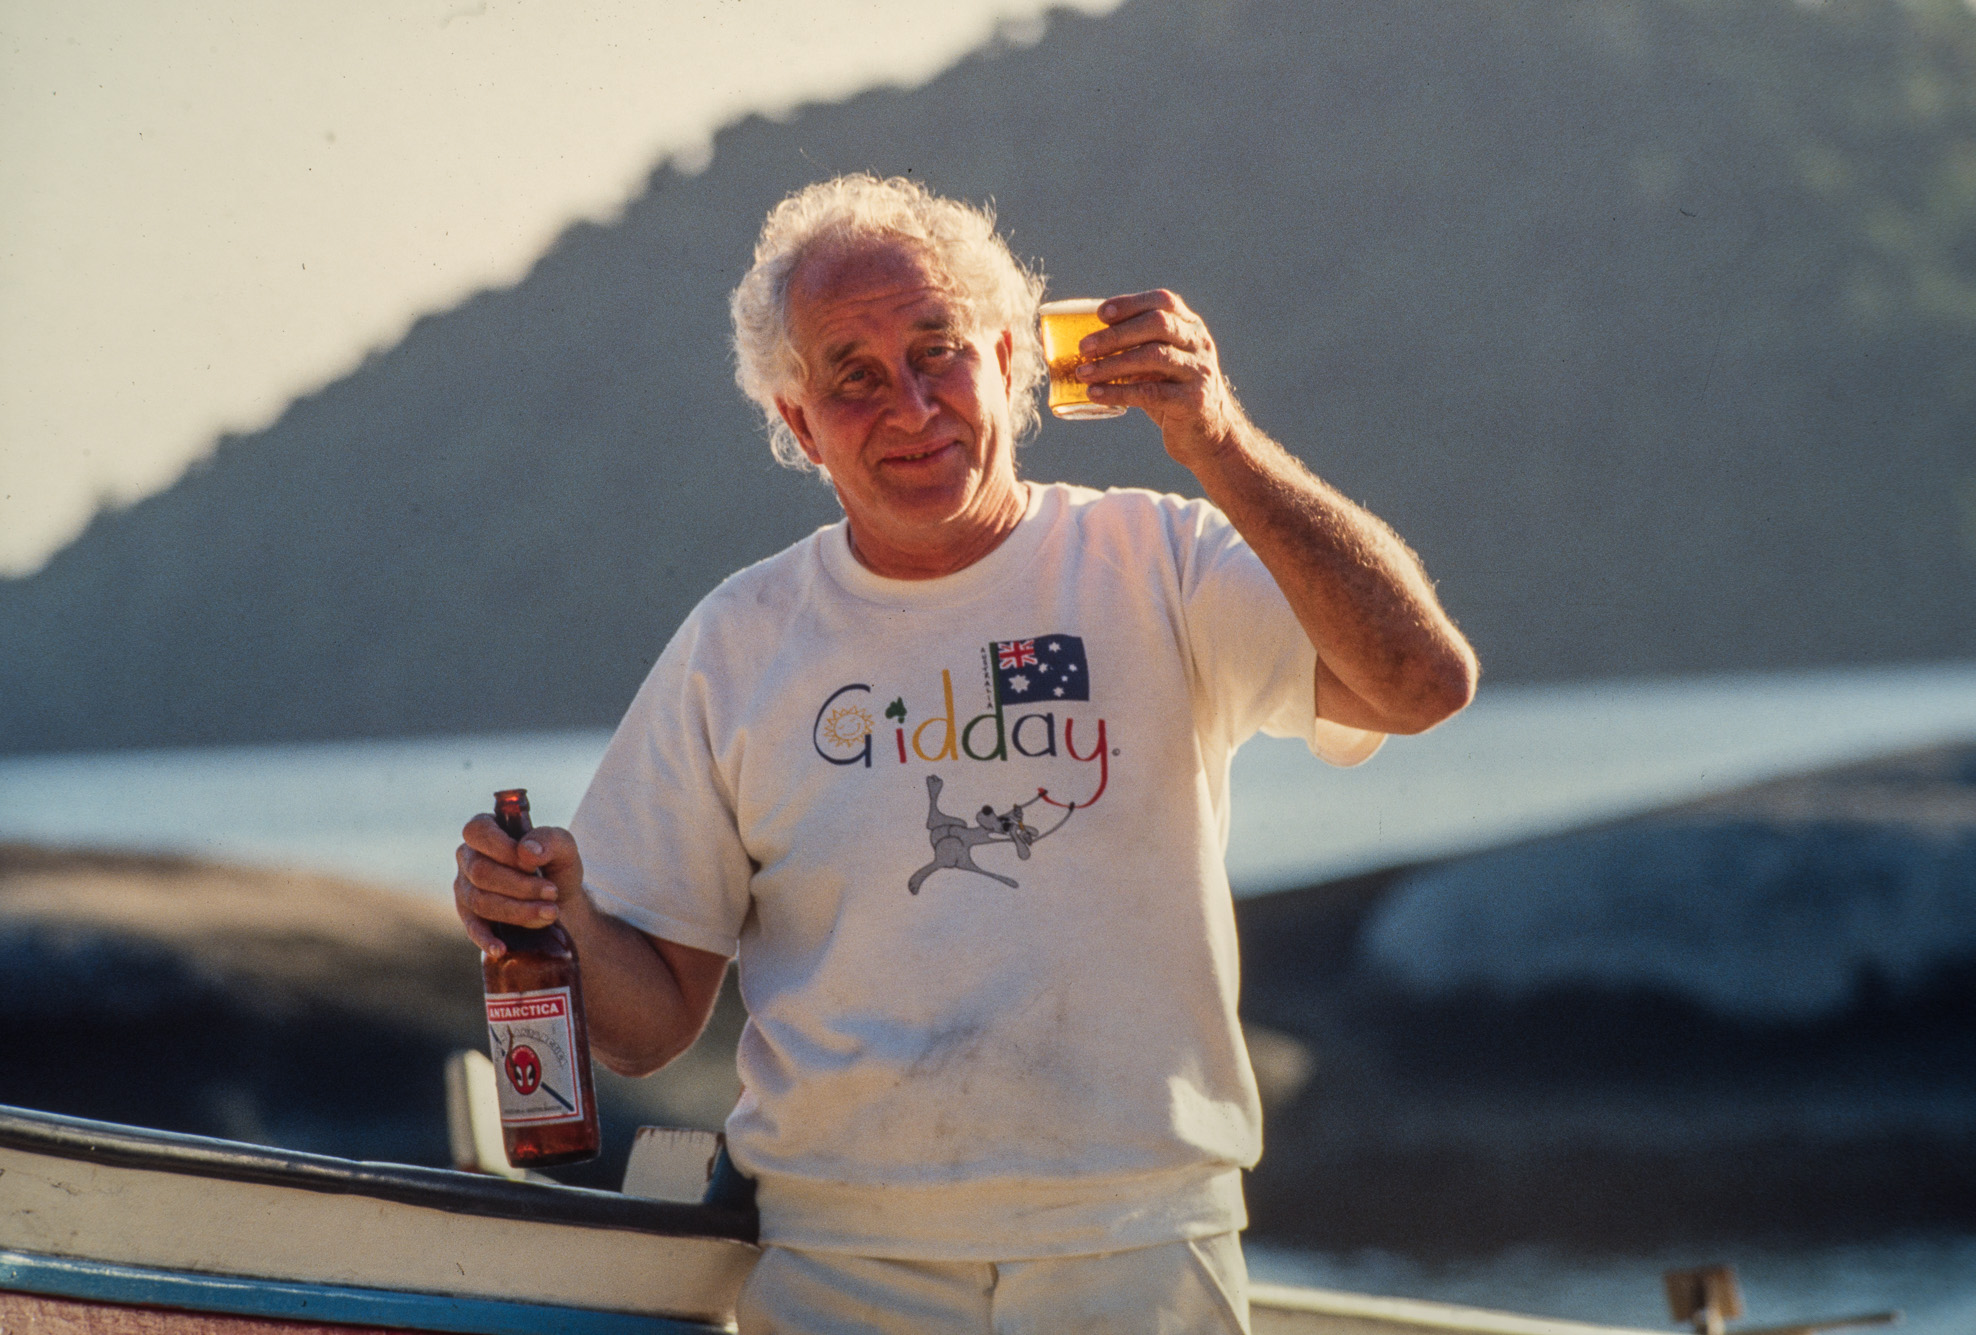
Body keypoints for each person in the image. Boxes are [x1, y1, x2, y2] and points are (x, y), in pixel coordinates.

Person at [455, 174, 1477, 1333]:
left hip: (1137, 1243)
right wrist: (562, 913)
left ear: (1009, 359)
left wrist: (1219, 439)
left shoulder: (1157, 560)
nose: (909, 403)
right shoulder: (737, 642)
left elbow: (1419, 685)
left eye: (937, 351)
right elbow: (646, 1029)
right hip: (842, 1261)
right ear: (798, 424)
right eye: (852, 375)